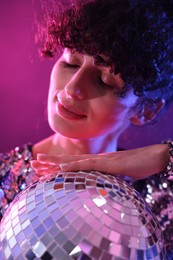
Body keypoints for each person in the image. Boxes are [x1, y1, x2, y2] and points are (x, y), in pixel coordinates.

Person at [0, 0, 173, 257]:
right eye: (70, 62)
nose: (71, 89)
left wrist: (163, 156)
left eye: (104, 80)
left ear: (145, 110)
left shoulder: (162, 199)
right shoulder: (4, 180)